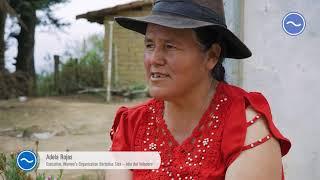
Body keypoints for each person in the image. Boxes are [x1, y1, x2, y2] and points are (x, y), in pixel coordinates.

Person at [106, 0, 291, 179]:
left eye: (169, 46)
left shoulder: (245, 128)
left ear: (212, 56)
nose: (154, 59)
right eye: (149, 45)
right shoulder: (131, 126)